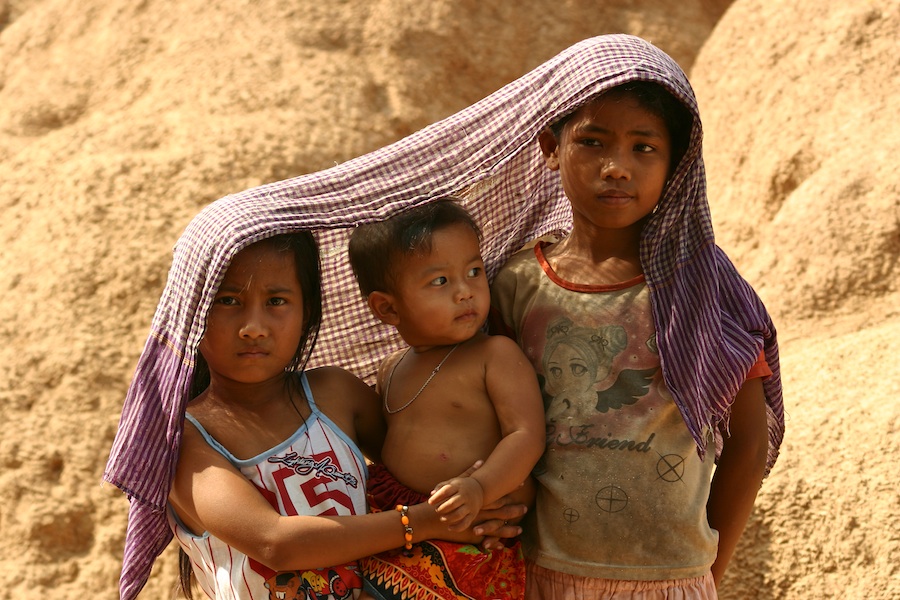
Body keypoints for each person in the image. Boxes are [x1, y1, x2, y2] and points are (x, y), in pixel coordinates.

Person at [490, 53, 783, 598]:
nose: (617, 166)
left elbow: (748, 441)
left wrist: (705, 571)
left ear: (675, 165)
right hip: (539, 573)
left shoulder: (701, 287)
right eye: (593, 141)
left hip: (672, 579)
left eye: (643, 148)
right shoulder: (514, 286)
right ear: (552, 148)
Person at [160, 231, 524, 599]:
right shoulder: (185, 440)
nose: (254, 327)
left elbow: (418, 465)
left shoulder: (334, 393)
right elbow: (275, 544)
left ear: (307, 313)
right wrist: (424, 522)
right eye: (228, 300)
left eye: (276, 300)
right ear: (192, 311)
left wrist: (476, 502)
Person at [347, 200, 546, 599]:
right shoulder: (391, 369)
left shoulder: (494, 355)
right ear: (387, 308)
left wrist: (479, 487)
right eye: (440, 281)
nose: (465, 292)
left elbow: (526, 434)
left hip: (470, 526)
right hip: (400, 522)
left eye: (473, 272)